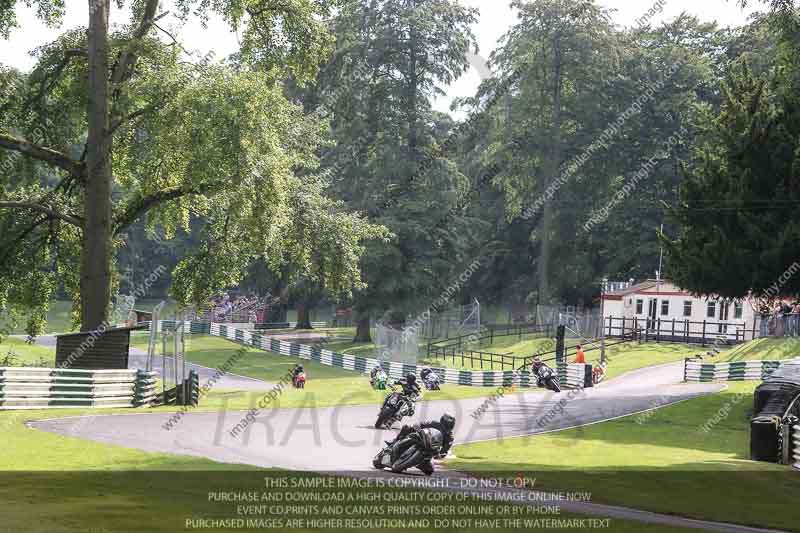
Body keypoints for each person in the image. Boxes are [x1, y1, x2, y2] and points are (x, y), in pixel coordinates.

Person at [389, 414, 456, 474]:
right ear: (443, 421)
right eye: (448, 424)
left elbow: (445, 450)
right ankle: (394, 442)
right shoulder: (434, 423)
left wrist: (440, 454)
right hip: (421, 438)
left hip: (430, 450)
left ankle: (419, 463)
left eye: (451, 424)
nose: (449, 426)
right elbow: (421, 424)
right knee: (406, 427)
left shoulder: (450, 437)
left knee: (429, 471)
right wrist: (416, 426)